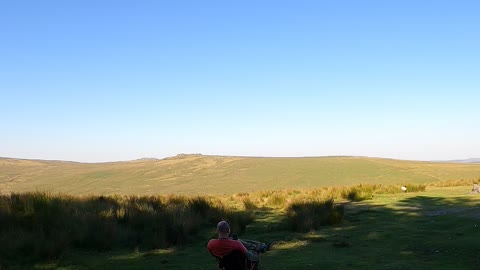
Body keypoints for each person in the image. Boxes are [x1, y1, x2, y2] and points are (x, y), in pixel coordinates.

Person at [207, 220, 273, 269]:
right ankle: (262, 247)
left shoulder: (211, 243)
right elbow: (249, 256)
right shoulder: (236, 244)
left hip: (226, 265)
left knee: (240, 241)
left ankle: (261, 246)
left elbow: (213, 253)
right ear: (228, 230)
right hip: (240, 265)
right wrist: (256, 253)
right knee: (251, 249)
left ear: (217, 230)